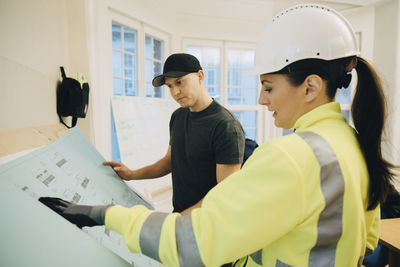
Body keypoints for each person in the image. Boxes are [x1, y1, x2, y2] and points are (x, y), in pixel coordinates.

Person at [39, 4, 397, 266]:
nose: (260, 99)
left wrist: (106, 214)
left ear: (310, 87)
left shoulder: (293, 155)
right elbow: (365, 242)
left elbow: (193, 242)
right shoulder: (350, 142)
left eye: (269, 87)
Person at [104, 53, 245, 215]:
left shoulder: (226, 126)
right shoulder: (178, 116)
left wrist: (177, 222)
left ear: (200, 76)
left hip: (209, 223)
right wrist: (131, 174)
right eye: (170, 86)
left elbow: (223, 195)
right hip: (179, 215)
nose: (175, 92)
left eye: (180, 82)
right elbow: (169, 161)